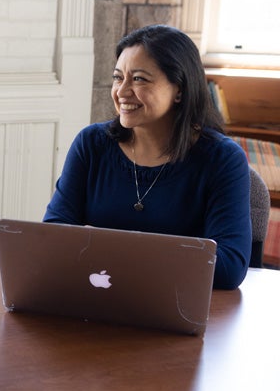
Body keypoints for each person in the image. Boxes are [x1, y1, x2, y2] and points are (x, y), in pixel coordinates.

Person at [43, 24, 251, 290]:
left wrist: (107, 251)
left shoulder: (222, 160)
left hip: (177, 309)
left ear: (179, 89)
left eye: (139, 79)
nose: (121, 91)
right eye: (119, 77)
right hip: (95, 299)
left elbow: (228, 266)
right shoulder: (91, 144)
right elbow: (53, 236)